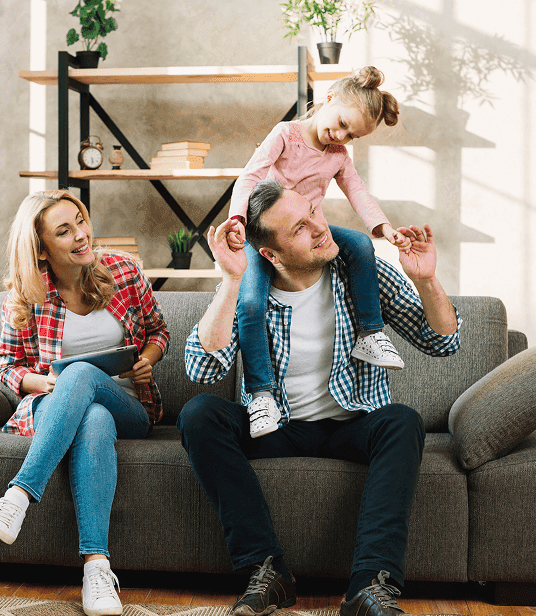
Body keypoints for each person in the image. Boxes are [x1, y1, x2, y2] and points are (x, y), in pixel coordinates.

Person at [179, 179, 461, 616]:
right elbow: (202, 368)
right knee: (199, 414)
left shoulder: (360, 271)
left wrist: (426, 280)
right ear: (270, 254)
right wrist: (231, 281)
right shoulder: (248, 289)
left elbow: (441, 342)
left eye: (313, 211)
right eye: (299, 228)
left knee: (401, 421)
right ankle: (268, 572)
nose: (319, 227)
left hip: (352, 423)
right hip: (274, 427)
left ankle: (369, 588)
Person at [0, 189, 170, 616]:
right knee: (92, 414)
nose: (81, 235)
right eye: (64, 231)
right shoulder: (28, 294)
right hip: (57, 403)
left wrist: (146, 360)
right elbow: (6, 367)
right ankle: (96, 570)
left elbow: (159, 331)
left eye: (80, 221)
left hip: (129, 407)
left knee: (84, 375)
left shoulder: (123, 270)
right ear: (42, 250)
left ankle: (18, 497)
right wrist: (39, 382)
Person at [226, 66, 411, 440]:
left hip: (309, 231)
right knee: (249, 304)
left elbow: (358, 192)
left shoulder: (339, 155)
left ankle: (369, 334)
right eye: (342, 123)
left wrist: (385, 228)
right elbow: (250, 175)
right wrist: (238, 219)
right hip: (268, 234)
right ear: (328, 99)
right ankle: (262, 395)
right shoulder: (285, 134)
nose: (340, 136)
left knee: (359, 243)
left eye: (351, 135)